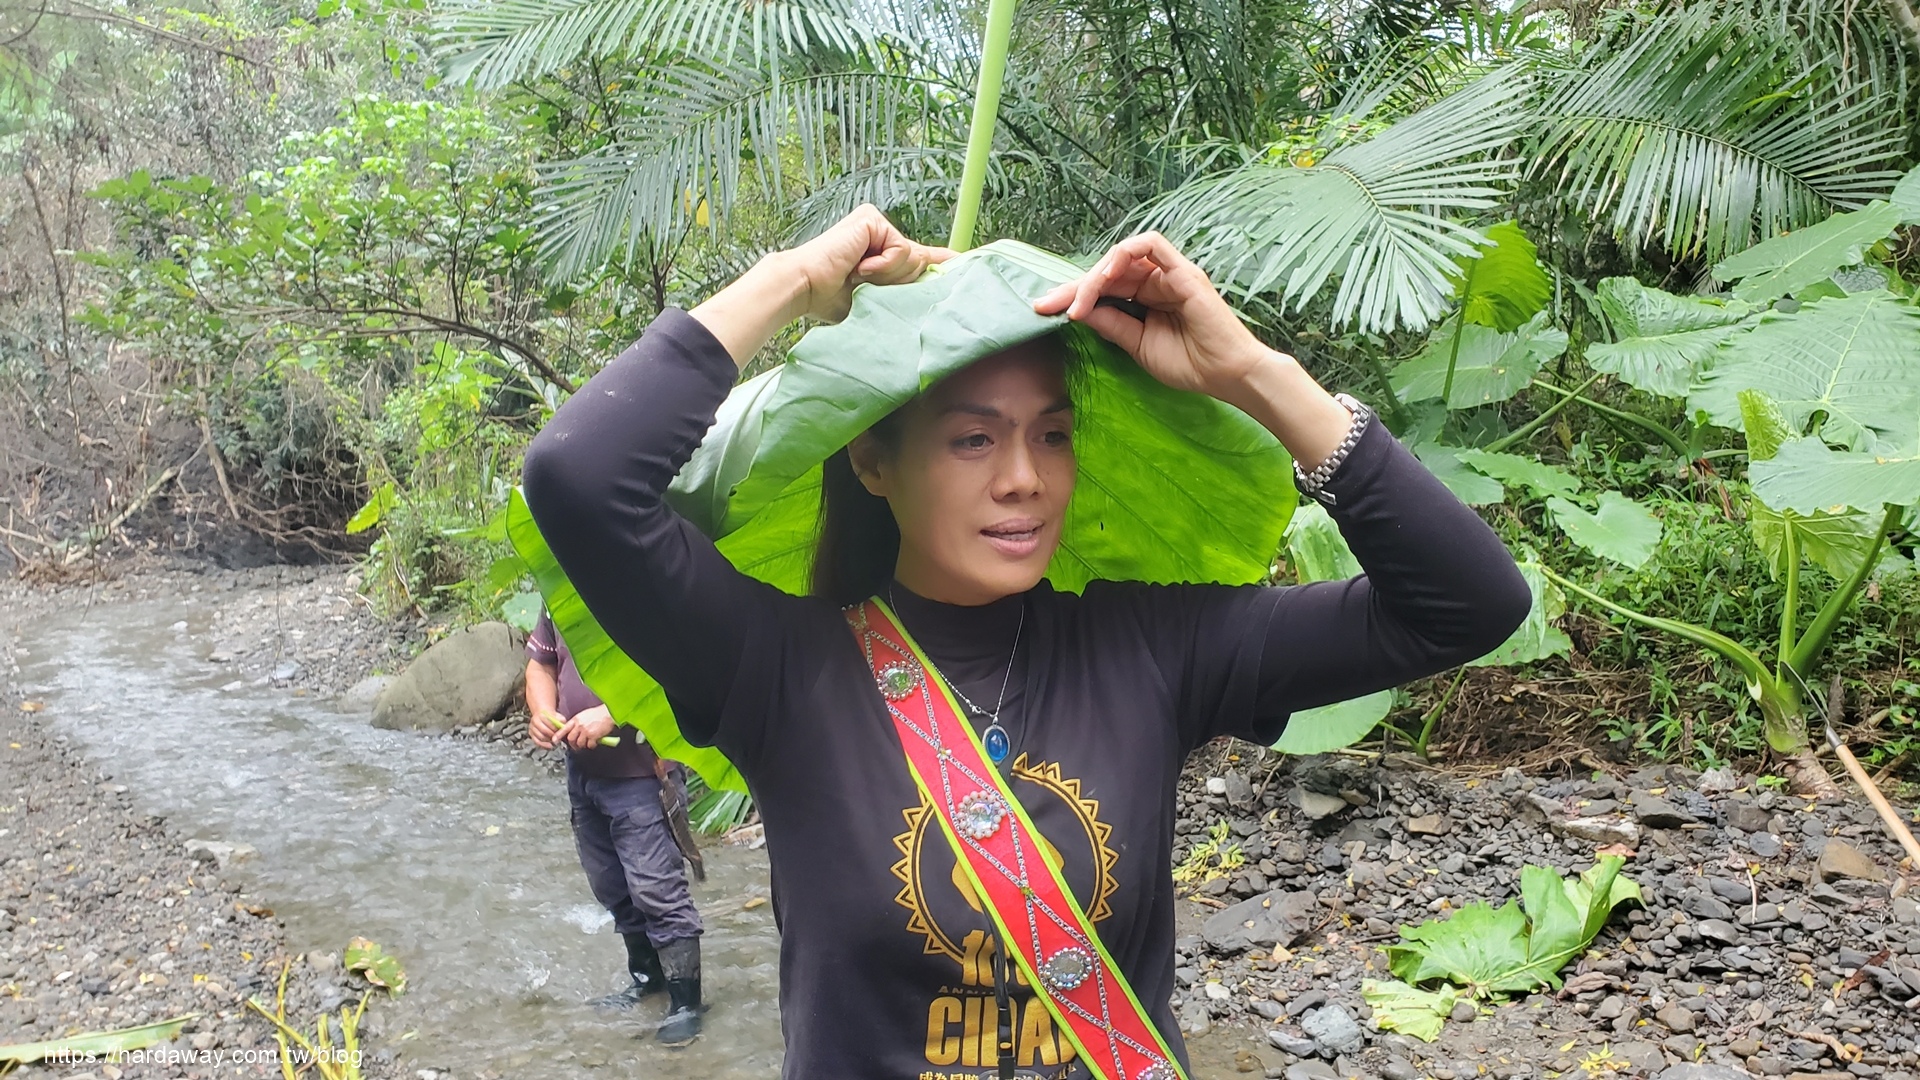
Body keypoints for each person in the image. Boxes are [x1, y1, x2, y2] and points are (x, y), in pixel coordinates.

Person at [521, 206, 1531, 1079]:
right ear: (873, 460)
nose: (1026, 478)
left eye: (1051, 434)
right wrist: (798, 281)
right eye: (974, 438)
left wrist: (1254, 373)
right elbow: (579, 475)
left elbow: (1468, 604)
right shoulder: (777, 669)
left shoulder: (1152, 648)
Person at [524, 607, 706, 1043]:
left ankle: (686, 1001)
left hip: (643, 773)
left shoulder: (635, 580)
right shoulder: (558, 593)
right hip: (584, 773)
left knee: (656, 889)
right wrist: (542, 710)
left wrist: (613, 712)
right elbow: (541, 664)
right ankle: (648, 980)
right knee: (611, 885)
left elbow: (680, 665)